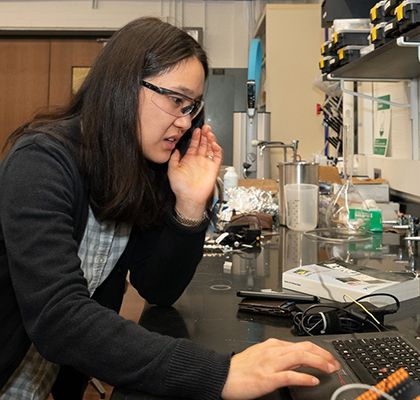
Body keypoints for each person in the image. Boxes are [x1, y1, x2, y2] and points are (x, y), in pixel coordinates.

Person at [0, 16, 339, 400]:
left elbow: (158, 288)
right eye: (175, 100)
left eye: (192, 106)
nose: (184, 120)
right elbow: (58, 317)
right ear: (123, 85)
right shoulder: (41, 161)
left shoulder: (138, 168)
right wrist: (218, 373)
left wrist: (190, 205)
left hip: (51, 376)